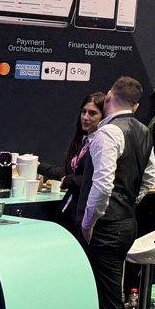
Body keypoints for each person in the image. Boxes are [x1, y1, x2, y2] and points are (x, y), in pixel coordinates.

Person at [81, 76, 155, 309]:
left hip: (106, 228)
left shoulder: (108, 133)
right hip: (126, 223)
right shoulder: (144, 131)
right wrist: (127, 205)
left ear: (110, 95)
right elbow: (149, 180)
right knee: (108, 304)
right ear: (136, 106)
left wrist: (89, 223)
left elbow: (102, 185)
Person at [41, 92, 105, 234]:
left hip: (87, 216)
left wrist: (70, 180)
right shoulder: (83, 141)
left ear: (104, 117)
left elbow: (96, 179)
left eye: (92, 113)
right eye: (84, 111)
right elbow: (66, 173)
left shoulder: (103, 145)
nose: (85, 117)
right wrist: (38, 166)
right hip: (69, 211)